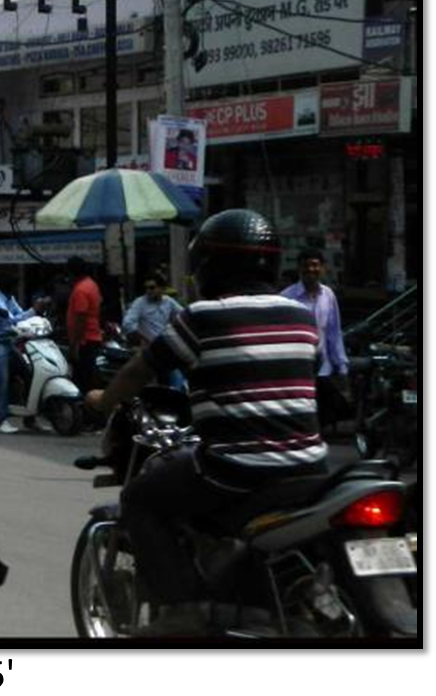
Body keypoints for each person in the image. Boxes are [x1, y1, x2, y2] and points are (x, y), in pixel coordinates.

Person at [85, 209, 327, 637]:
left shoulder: (203, 316)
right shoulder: (302, 316)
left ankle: (183, 608)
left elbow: (142, 370)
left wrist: (104, 399)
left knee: (142, 497)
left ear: (212, 267)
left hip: (236, 471)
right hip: (309, 470)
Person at [281, 248, 350, 432]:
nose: (311, 269)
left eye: (315, 265)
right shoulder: (286, 297)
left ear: (322, 268)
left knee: (323, 413)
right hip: (297, 368)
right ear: (299, 268)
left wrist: (341, 365)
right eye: (306, 265)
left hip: (323, 369)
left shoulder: (328, 295)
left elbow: (334, 332)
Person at [0, 271, 49, 434]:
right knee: (2, 380)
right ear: (10, 287)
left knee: (27, 372)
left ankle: (30, 418)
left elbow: (20, 315)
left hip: (7, 342)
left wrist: (35, 313)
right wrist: (34, 309)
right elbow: (11, 319)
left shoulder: (9, 299)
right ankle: (0, 421)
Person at [122, 274, 187, 391]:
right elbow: (127, 324)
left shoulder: (168, 301)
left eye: (152, 287)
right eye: (146, 288)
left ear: (162, 288)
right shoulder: (140, 303)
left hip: (165, 347)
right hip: (149, 349)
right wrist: (144, 338)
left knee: (177, 377)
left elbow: (184, 315)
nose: (148, 291)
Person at [65, 256, 104, 395]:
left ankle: (86, 410)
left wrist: (75, 344)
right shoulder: (91, 284)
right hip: (91, 338)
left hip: (85, 340)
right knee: (86, 376)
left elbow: (81, 319)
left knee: (83, 380)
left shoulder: (80, 290)